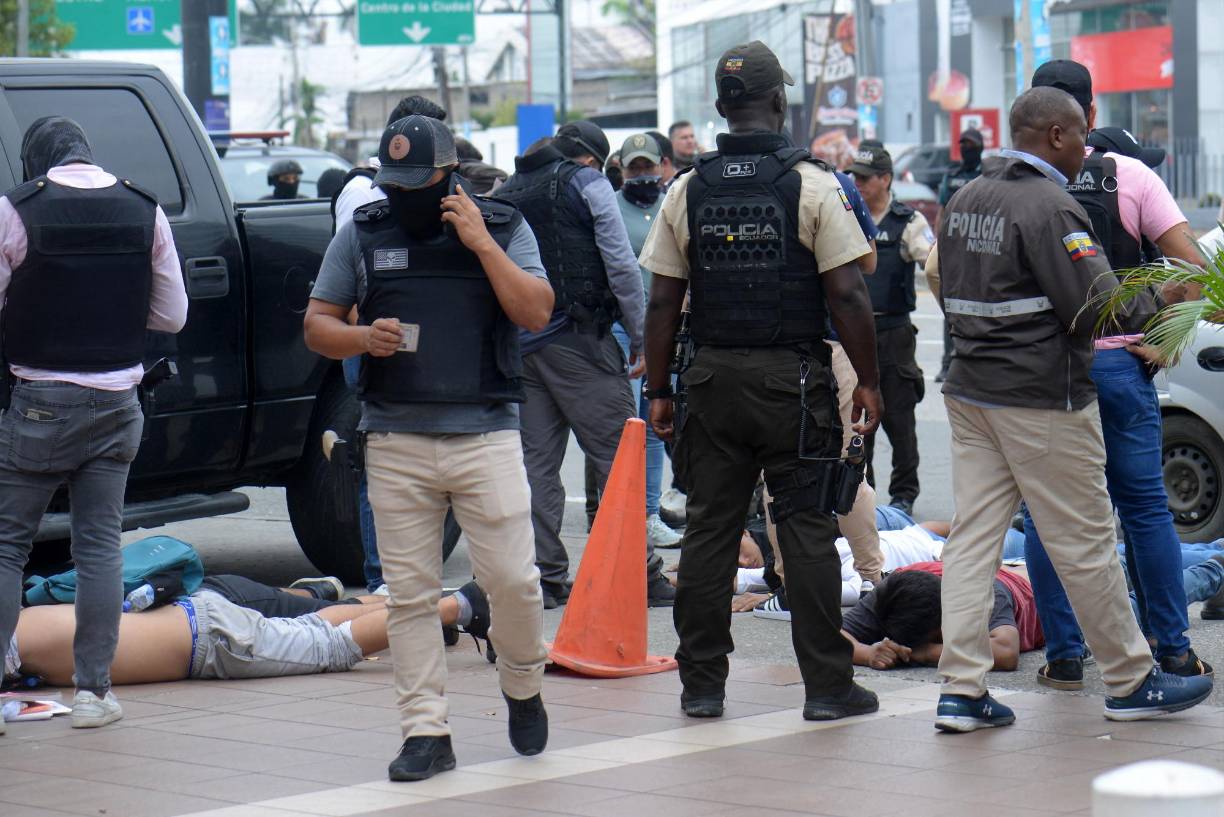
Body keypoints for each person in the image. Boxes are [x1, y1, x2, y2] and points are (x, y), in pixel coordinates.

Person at [931, 86, 1212, 733]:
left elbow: (943, 286)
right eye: (1082, 135)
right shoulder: (1051, 207)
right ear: (1056, 135)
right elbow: (1100, 307)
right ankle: (1131, 678)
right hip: (1041, 398)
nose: (1088, 148)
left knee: (973, 540)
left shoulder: (966, 197)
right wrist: (1166, 294)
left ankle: (962, 688)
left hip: (972, 393)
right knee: (1085, 537)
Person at [304, 114, 554, 781]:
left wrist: (481, 245)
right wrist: (361, 339)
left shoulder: (502, 227)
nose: (406, 194)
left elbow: (535, 310)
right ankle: (425, 730)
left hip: (486, 434)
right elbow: (317, 324)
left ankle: (524, 682)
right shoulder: (364, 231)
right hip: (395, 436)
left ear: (450, 177)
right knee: (408, 596)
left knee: (515, 582)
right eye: (396, 182)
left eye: (420, 182)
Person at [641, 41, 883, 722]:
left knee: (710, 531)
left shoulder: (688, 187)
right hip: (794, 385)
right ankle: (829, 688)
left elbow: (662, 301)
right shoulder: (812, 182)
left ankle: (702, 686)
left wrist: (660, 389)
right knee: (805, 528)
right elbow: (848, 293)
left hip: (712, 381)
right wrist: (868, 379)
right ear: (780, 102)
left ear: (721, 108)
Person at [1023, 59, 1213, 690]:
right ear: (1089, 116)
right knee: (1145, 511)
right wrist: (1161, 339)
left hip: (1048, 376)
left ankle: (1065, 656)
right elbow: (1194, 267)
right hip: (1120, 367)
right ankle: (1173, 652)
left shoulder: (1014, 183)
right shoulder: (1129, 178)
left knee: (1052, 517)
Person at [0, 116, 188, 734]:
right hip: (118, 402)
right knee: (100, 548)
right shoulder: (144, 209)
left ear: (39, 162)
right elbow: (173, 314)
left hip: (38, 403)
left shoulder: (18, 210)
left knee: (7, 545)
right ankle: (93, 694)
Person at [497, 122, 673, 609]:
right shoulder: (587, 183)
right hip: (582, 342)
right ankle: (639, 572)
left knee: (537, 468)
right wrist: (642, 339)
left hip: (523, 347)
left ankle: (546, 577)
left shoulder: (509, 189)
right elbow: (620, 264)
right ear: (595, 160)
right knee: (620, 458)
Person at [331, 96, 451, 596]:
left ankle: (413, 577)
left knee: (423, 463)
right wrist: (377, 340)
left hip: (413, 345)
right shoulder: (364, 193)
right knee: (376, 463)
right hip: (377, 344)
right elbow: (351, 289)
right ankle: (384, 579)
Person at [5, 576, 491, 689]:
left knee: (330, 646)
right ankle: (452, 605)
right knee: (314, 627)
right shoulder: (19, 622)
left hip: (210, 644)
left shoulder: (12, 643)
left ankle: (459, 605)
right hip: (199, 620)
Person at [848, 145, 933, 516]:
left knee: (900, 418)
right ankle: (861, 493)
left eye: (865, 177)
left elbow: (929, 260)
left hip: (894, 332)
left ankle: (903, 497)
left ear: (886, 179)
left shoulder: (908, 221)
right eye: (854, 176)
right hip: (854, 333)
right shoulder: (848, 216)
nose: (858, 183)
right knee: (856, 423)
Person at [612, 133, 682, 550]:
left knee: (657, 424)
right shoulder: (610, 209)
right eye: (633, 167)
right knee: (623, 425)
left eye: (647, 167)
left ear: (662, 167)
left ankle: (650, 514)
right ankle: (620, 514)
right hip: (621, 332)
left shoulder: (671, 205)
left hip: (664, 330)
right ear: (621, 170)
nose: (641, 174)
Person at [841, 566, 1039, 673]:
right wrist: (867, 654)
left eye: (939, 638)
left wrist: (925, 652)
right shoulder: (891, 591)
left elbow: (1006, 653)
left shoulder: (985, 593)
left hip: (1029, 580)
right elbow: (828, 636)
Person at [934, 128, 985, 383]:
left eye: (971, 144)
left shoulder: (987, 175)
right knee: (951, 308)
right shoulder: (952, 176)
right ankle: (947, 363)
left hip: (981, 251)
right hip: (954, 253)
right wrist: (938, 246)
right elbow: (941, 213)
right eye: (962, 144)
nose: (966, 148)